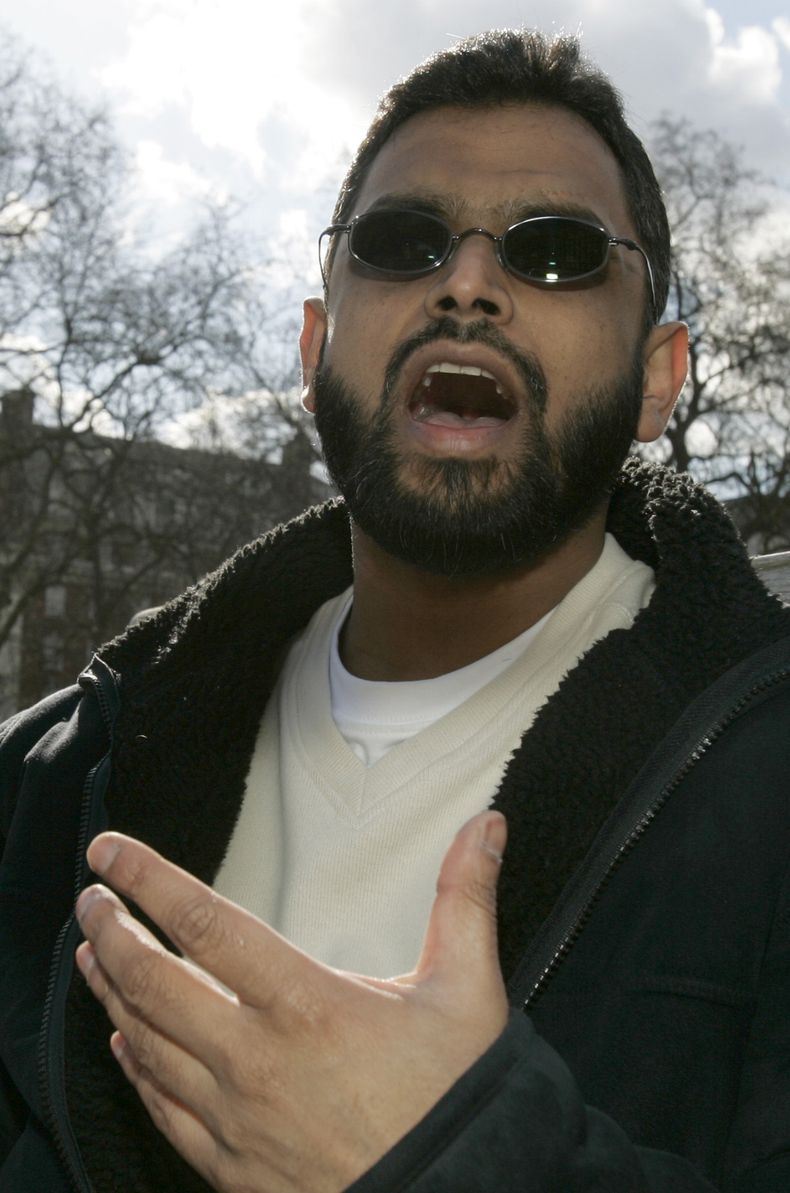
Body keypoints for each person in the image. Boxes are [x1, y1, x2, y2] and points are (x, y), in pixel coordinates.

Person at [1, 27, 789, 1193]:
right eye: (401, 241)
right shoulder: (49, 779)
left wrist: (452, 1160)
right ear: (315, 346)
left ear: (657, 377)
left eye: (557, 251)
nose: (466, 282)